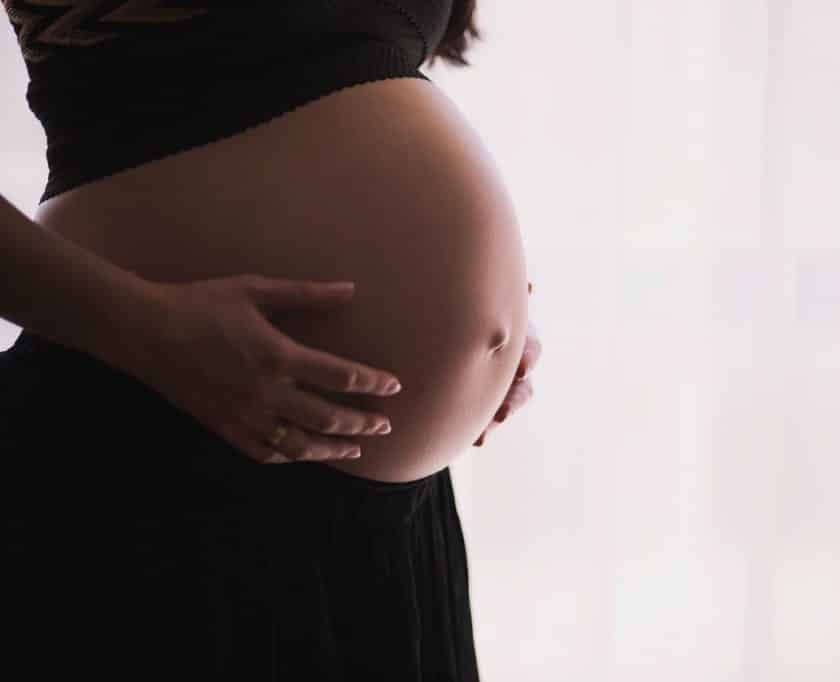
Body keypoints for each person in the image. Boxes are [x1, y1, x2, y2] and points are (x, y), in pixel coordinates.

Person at [0, 1, 541, 679]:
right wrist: (147, 329)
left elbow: (329, 71)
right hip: (146, 452)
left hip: (392, 519)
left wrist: (480, 313)